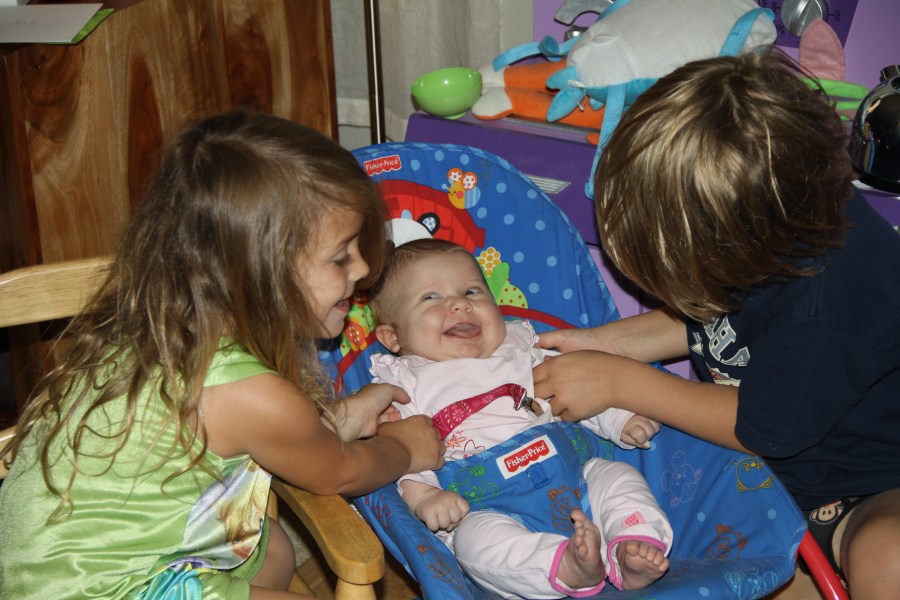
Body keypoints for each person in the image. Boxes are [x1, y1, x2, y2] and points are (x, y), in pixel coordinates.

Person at [0, 110, 445, 600]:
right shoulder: (252, 395)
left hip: (50, 564)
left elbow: (253, 432)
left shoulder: (169, 324)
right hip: (103, 589)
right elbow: (337, 470)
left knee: (271, 546)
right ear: (261, 273)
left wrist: (335, 417)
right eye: (340, 255)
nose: (361, 267)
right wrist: (404, 447)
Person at [531, 49, 900, 599]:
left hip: (867, 487)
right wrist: (602, 344)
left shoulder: (834, 304)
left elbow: (758, 427)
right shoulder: (776, 217)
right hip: (763, 483)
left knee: (889, 559)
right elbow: (709, 325)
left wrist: (619, 381)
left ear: (741, 242)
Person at [367, 238, 672, 598]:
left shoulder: (519, 346)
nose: (460, 304)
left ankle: (629, 545)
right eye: (430, 298)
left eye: (472, 291)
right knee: (474, 542)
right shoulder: (405, 383)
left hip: (574, 475)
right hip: (487, 504)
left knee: (618, 476)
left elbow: (578, 385)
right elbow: (401, 447)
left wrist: (618, 418)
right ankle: (563, 567)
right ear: (392, 336)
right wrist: (424, 497)